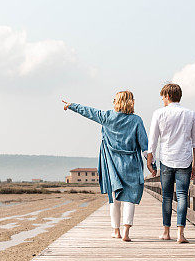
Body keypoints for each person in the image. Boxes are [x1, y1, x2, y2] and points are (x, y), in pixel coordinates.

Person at [62, 91, 148, 242]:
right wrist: (152, 164)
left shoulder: (107, 117)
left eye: (114, 99)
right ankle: (126, 231)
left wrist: (71, 106)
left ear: (117, 102)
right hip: (131, 164)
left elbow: (88, 111)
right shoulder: (136, 120)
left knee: (114, 197)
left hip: (112, 164)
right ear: (131, 102)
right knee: (130, 198)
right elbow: (145, 146)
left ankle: (116, 231)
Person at [146, 83, 195, 244]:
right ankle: (181, 234)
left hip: (167, 159)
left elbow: (153, 139)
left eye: (163, 96)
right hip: (184, 160)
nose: (162, 99)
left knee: (167, 196)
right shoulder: (190, 114)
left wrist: (150, 160)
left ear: (168, 96)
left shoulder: (159, 113)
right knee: (183, 195)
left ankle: (166, 232)